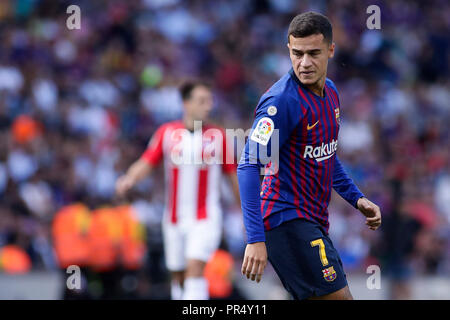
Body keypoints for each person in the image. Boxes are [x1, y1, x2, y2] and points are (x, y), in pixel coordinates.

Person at [237, 12, 382, 300]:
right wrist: (254, 239)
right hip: (286, 219)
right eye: (297, 53)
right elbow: (248, 164)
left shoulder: (330, 93)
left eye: (314, 53)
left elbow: (326, 154)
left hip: (312, 220)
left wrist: (356, 198)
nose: (304, 63)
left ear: (330, 49)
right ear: (288, 50)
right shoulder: (281, 102)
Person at [115, 81, 240, 300]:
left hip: (205, 217)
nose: (208, 106)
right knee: (179, 276)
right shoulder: (167, 133)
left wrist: (247, 212)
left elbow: (234, 176)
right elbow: (147, 161)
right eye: (202, 101)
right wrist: (129, 178)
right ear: (186, 103)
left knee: (195, 268)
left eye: (210, 101)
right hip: (173, 219)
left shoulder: (219, 136)